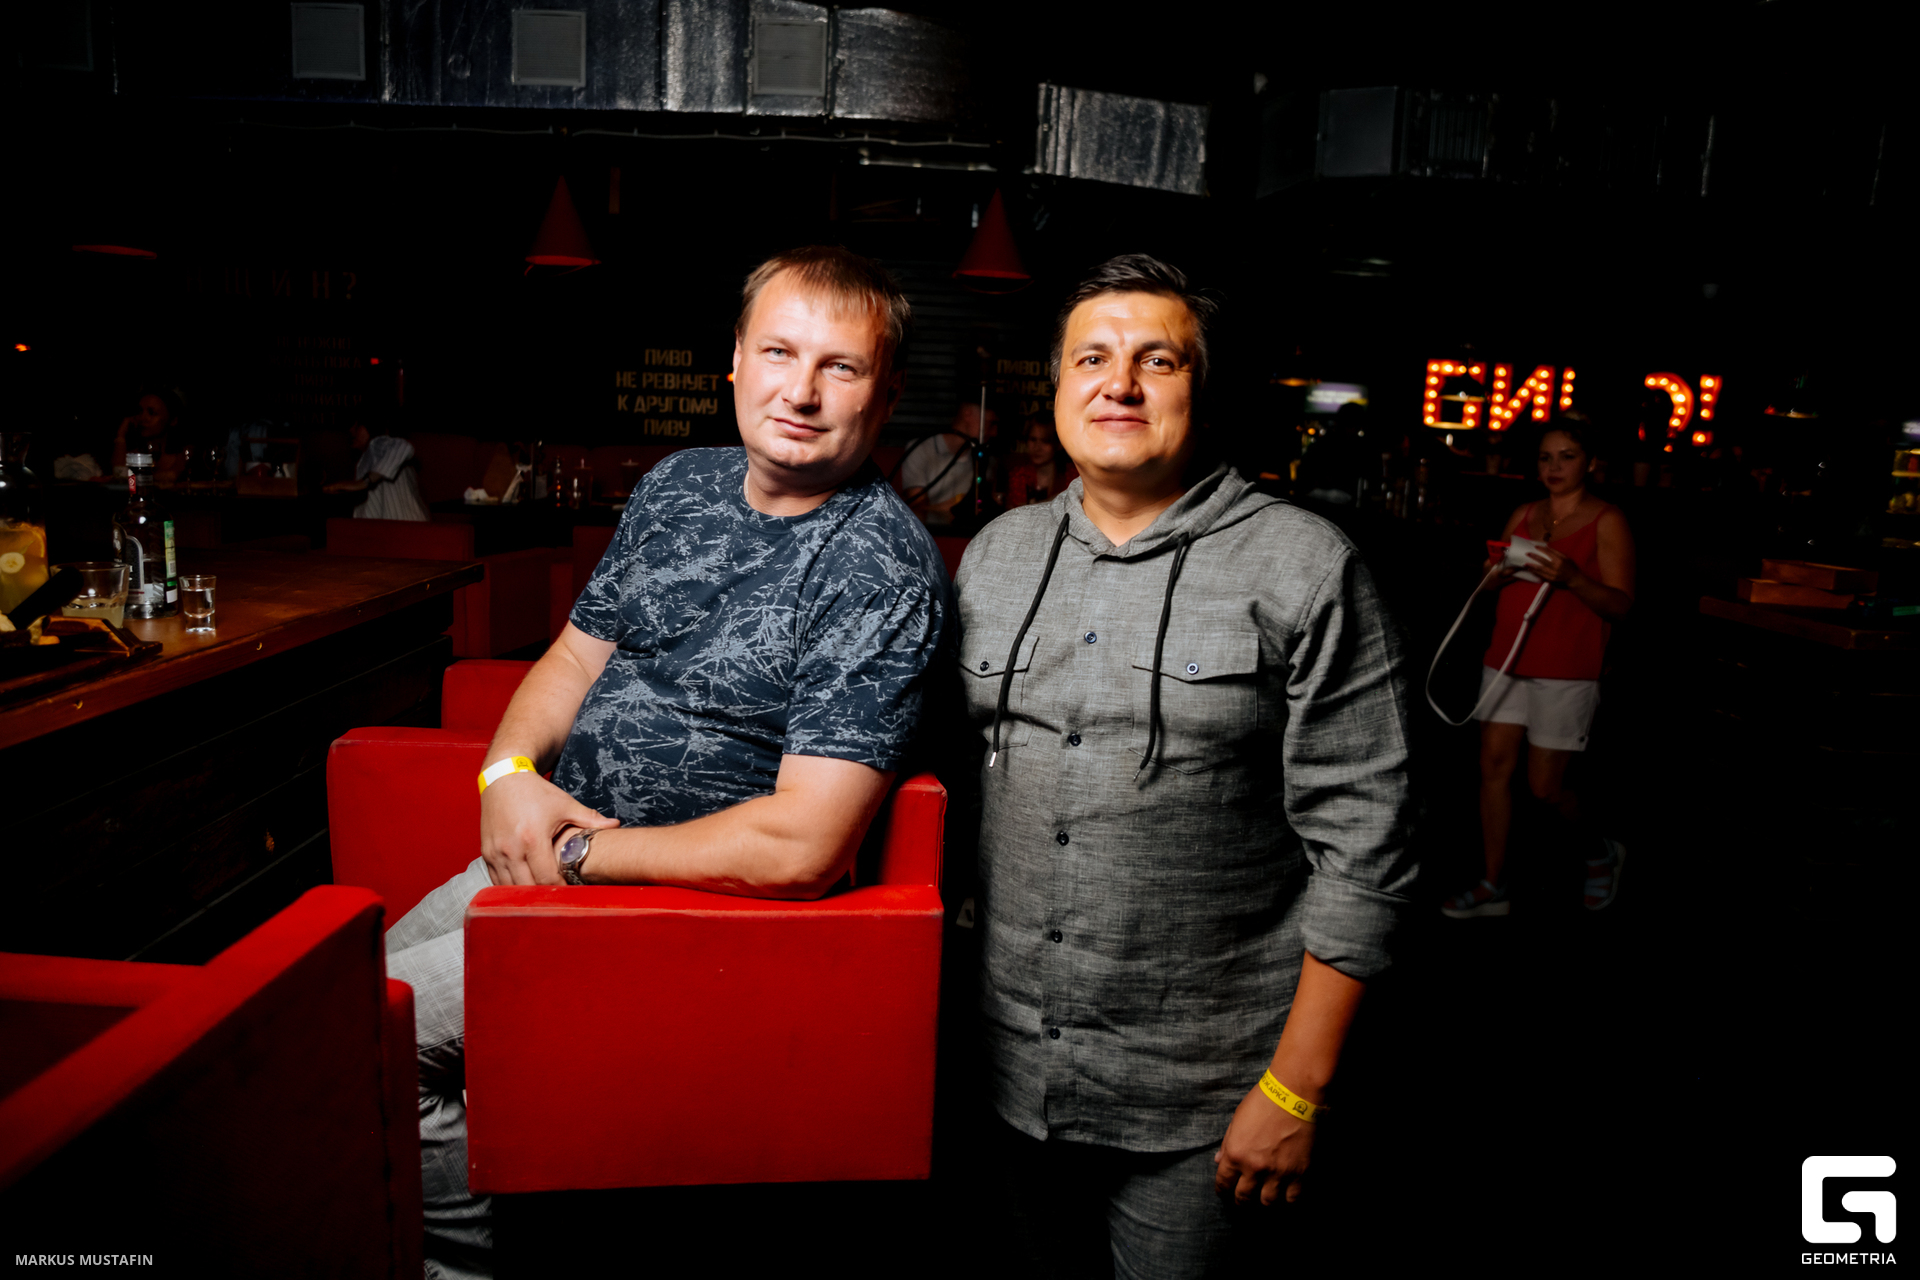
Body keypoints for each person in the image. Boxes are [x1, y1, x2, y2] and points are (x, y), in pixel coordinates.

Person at [382, 245, 948, 1280]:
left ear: (889, 392)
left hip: (689, 913)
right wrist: (506, 778)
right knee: (335, 992)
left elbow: (803, 847)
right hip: (561, 859)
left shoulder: (879, 566)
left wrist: (579, 850)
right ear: (734, 359)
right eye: (778, 352)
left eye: (841, 366)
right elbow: (572, 657)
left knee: (373, 1027)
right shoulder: (681, 483)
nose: (801, 392)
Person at [952, 255, 1416, 1275]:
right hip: (1007, 1076)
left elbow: (1366, 852)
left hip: (1208, 1101)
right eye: (1092, 359)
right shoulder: (995, 555)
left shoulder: (1306, 565)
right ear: (1058, 387)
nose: (1119, 384)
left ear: (1201, 389)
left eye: (1156, 360)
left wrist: (1296, 1089)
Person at [1441, 414, 1635, 918]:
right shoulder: (1525, 513)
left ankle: (1600, 851)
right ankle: (1493, 884)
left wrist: (1574, 578)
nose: (1554, 467)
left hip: (1567, 667)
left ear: (1590, 462)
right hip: (1506, 659)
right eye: (1546, 457)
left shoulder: (1607, 519)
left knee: (1546, 787)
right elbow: (1487, 583)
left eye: (1567, 456)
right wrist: (1495, 574)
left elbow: (1622, 605)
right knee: (1492, 769)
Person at [899, 400, 996, 526]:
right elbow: (916, 509)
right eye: (989, 423)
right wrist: (956, 506)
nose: (994, 432)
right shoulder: (921, 449)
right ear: (968, 414)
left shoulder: (984, 459)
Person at [323, 417, 431, 520]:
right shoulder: (366, 459)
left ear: (371, 427)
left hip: (407, 527)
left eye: (358, 426)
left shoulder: (377, 444)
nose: (351, 430)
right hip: (400, 528)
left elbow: (403, 446)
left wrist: (363, 482)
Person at [1004, 414, 1077, 507]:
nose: (1037, 448)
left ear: (1058, 444)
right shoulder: (1019, 475)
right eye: (1033, 440)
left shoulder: (1073, 475)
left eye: (1045, 441)